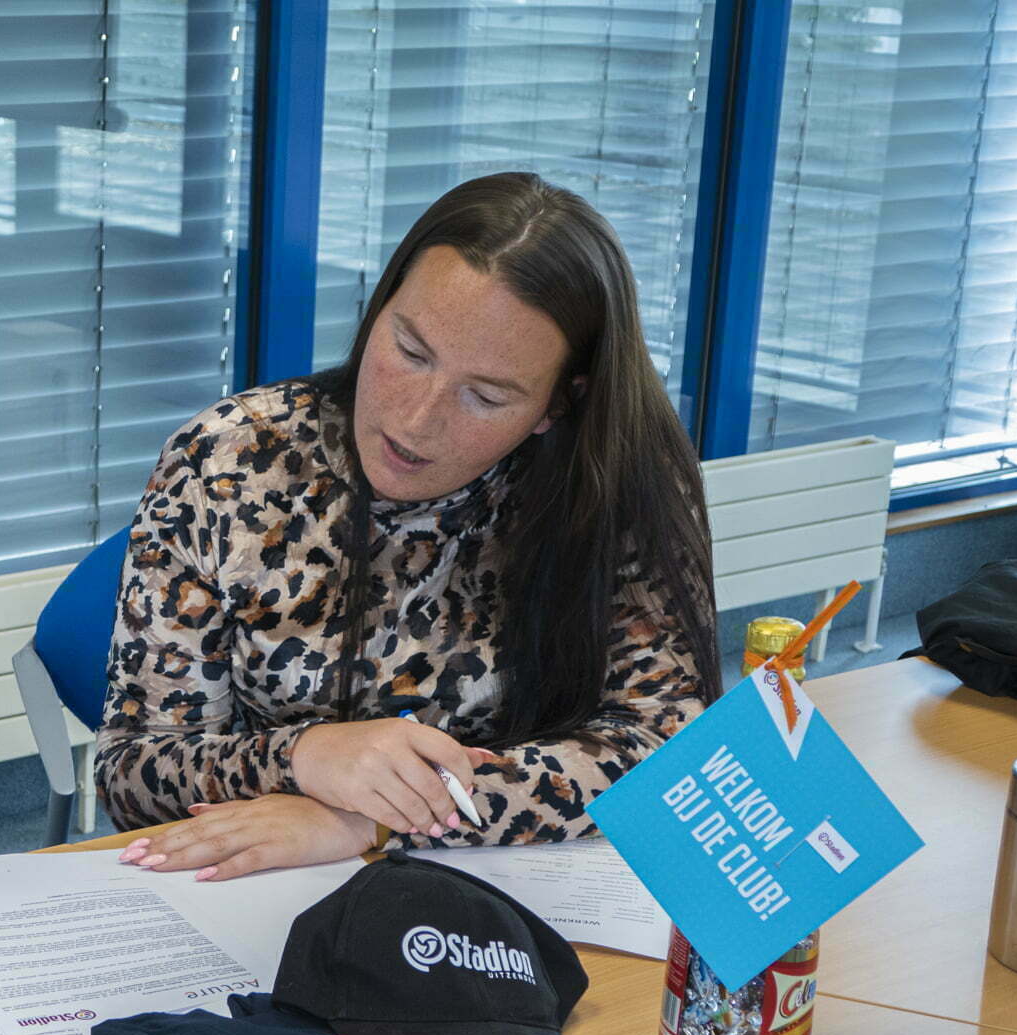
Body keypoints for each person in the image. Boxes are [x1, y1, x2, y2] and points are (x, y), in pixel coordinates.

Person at [96, 173, 720, 881]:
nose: (416, 421)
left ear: (557, 406)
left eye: (485, 396)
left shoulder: (619, 481)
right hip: (268, 888)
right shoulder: (227, 462)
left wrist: (375, 819)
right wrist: (305, 756)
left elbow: (671, 755)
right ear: (379, 305)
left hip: (526, 894)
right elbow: (133, 770)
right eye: (411, 351)